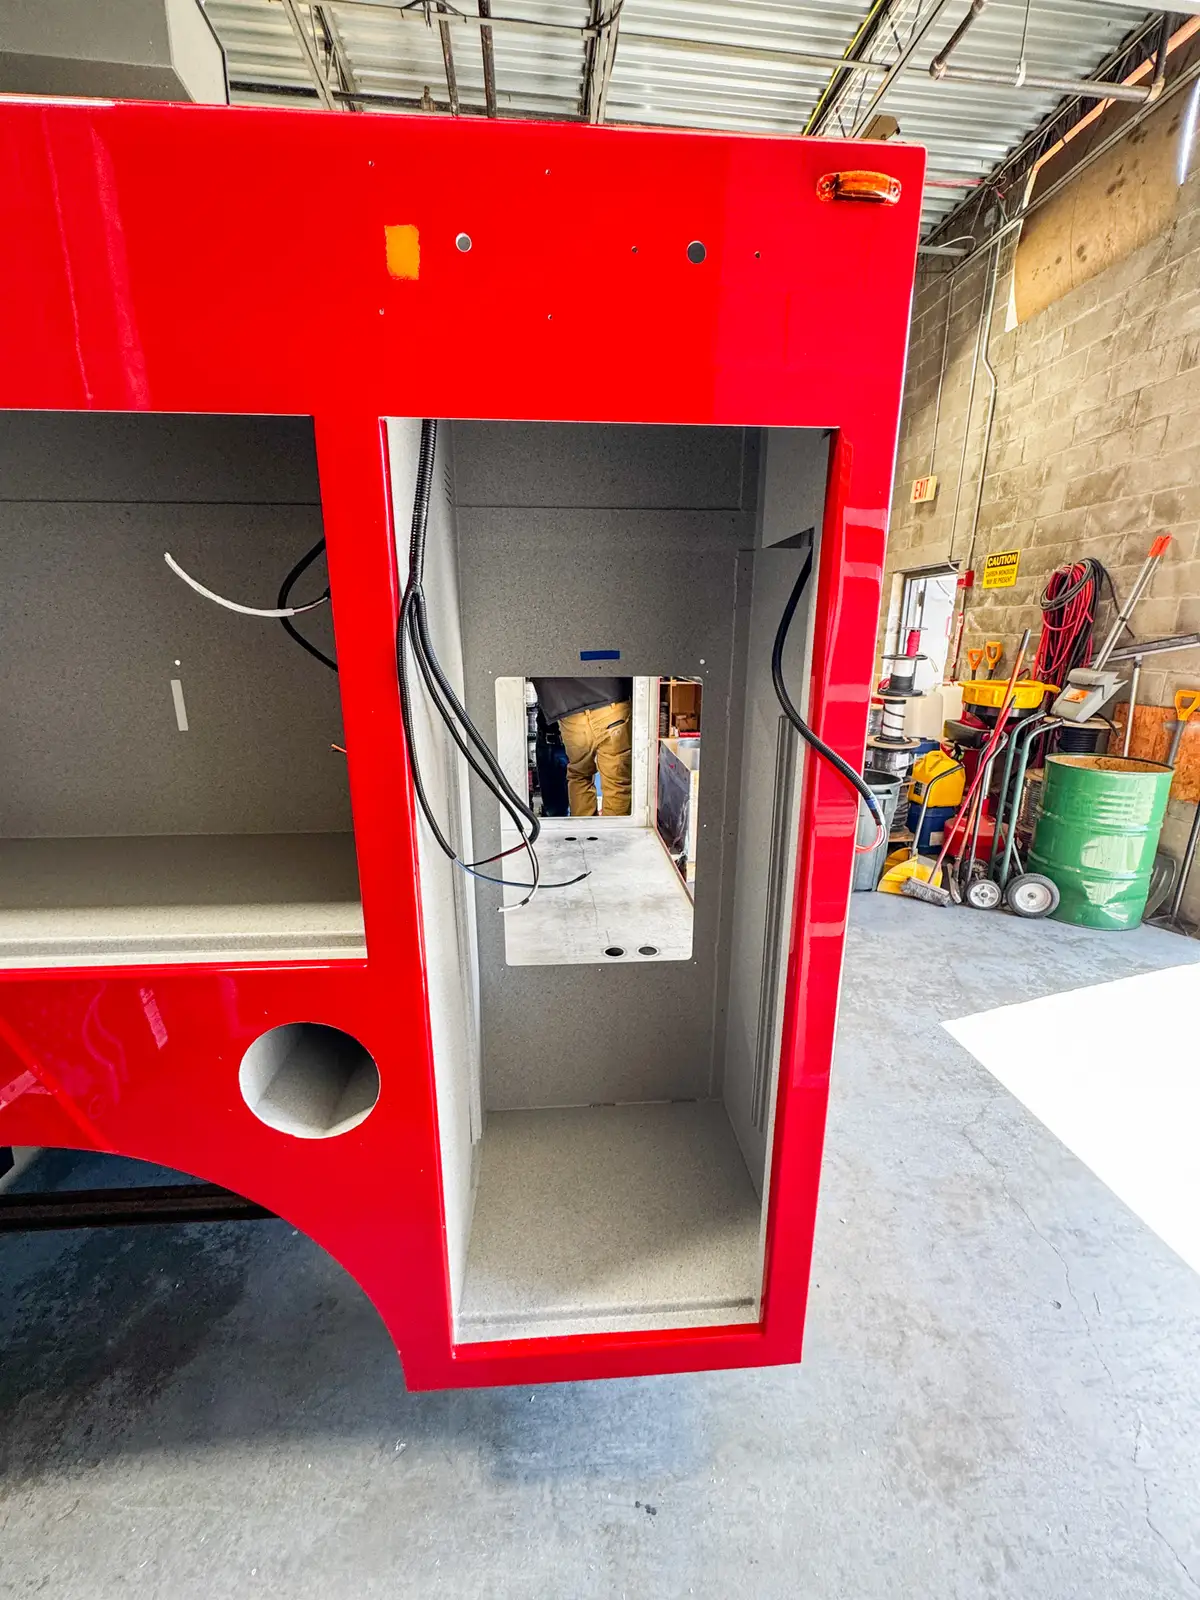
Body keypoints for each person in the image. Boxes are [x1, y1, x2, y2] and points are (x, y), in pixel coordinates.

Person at [530, 677, 633, 817]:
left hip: (570, 711)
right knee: (616, 782)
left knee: (579, 775)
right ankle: (613, 835)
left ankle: (584, 834)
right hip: (611, 704)